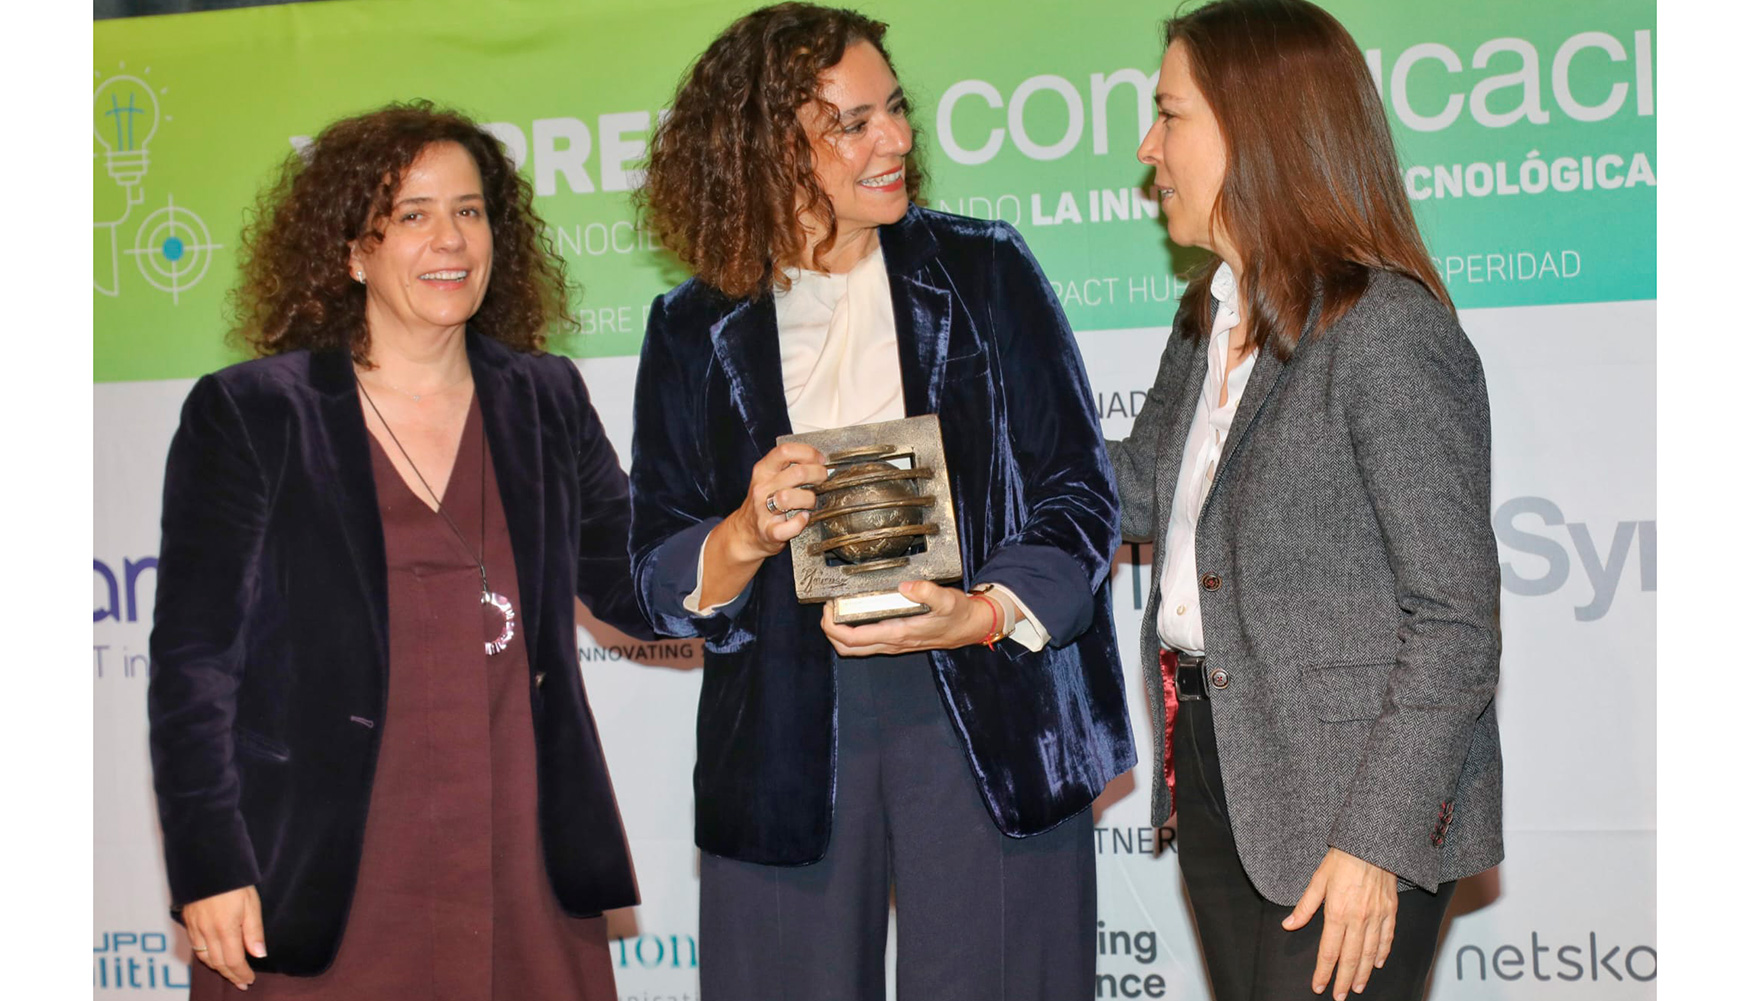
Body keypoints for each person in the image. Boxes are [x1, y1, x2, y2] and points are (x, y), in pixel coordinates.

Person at [629, 4, 1134, 997]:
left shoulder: (985, 271)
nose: (896, 139)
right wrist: (740, 530)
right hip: (779, 731)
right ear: (769, 149)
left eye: (894, 110)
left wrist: (984, 610)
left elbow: (1078, 493)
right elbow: (651, 563)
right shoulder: (690, 326)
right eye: (852, 122)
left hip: (990, 708)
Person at [147, 102, 651, 998]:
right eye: (412, 215)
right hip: (328, 876)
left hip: (523, 864)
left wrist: (745, 533)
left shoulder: (545, 396)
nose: (449, 239)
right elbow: (193, 665)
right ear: (353, 250)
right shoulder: (255, 412)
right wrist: (208, 863)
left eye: (469, 210)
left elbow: (629, 584)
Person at [1105, 2, 1504, 999]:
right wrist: (958, 441)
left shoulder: (1385, 333)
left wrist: (1375, 843)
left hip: (1349, 802)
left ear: (1257, 129)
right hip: (1218, 771)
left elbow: (1454, 616)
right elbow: (1133, 496)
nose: (1147, 147)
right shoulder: (1208, 313)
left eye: (1170, 115)